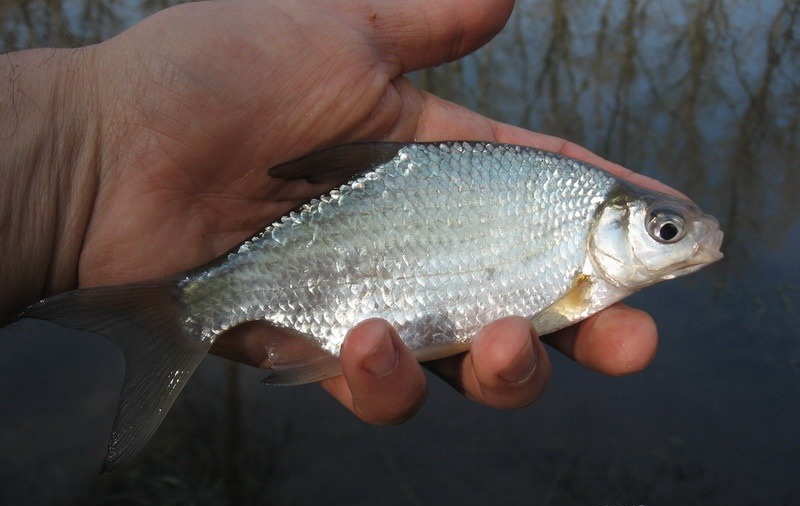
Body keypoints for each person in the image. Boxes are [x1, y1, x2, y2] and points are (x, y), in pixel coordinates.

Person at [0, 0, 659, 426]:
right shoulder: (577, 211)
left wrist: (74, 163)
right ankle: (184, 312)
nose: (678, 242)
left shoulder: (575, 198)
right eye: (665, 232)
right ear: (615, 224)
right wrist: (78, 150)